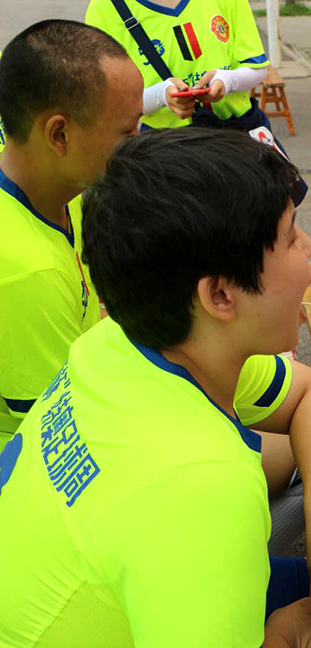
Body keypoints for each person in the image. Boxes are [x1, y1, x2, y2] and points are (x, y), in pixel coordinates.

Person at [0, 128, 311, 648]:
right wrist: (292, 634)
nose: (309, 249)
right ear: (219, 295)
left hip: (119, 600)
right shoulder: (200, 484)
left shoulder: (125, 338)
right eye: (288, 238)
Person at [0, 21, 142, 443]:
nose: (140, 143)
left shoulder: (66, 195)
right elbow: (61, 437)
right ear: (59, 133)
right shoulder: (26, 271)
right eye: (127, 131)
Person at [84, 0, 270, 131]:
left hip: (240, 133)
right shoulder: (105, 8)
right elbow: (111, 105)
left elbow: (257, 67)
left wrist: (228, 81)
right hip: (167, 150)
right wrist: (161, 95)